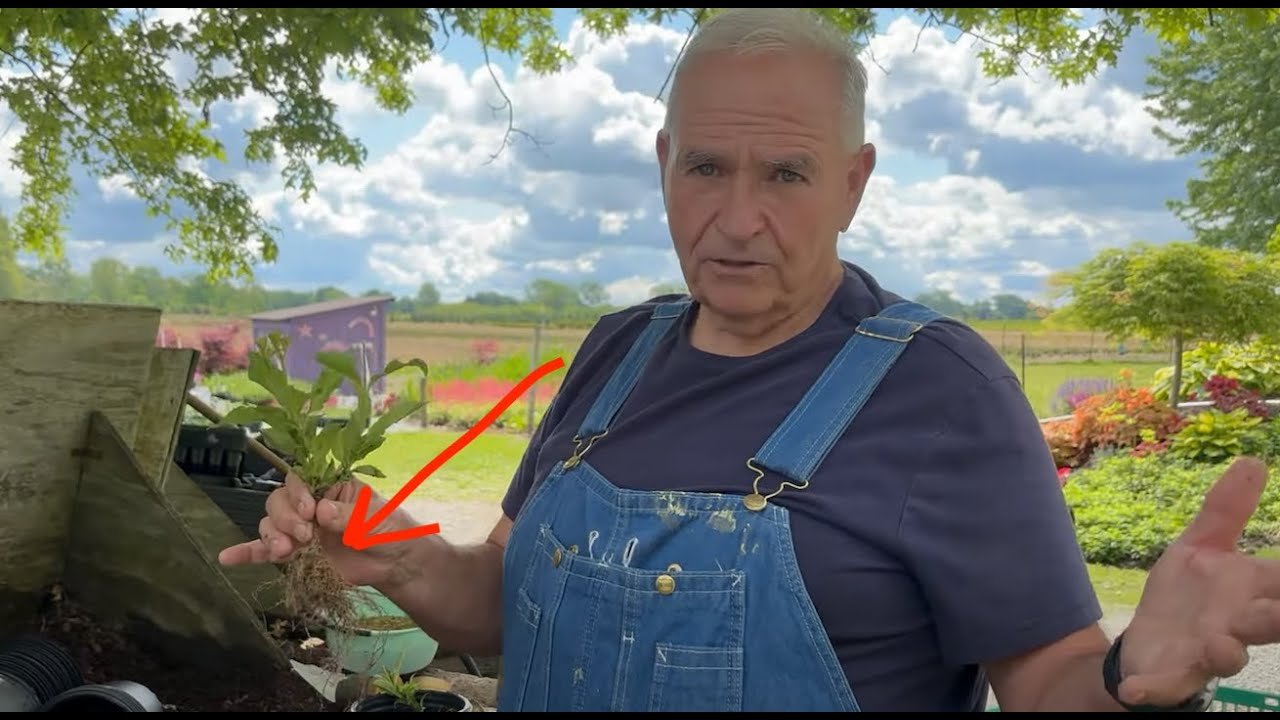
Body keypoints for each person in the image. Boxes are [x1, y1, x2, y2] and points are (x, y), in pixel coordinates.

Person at [219, 7, 1280, 712]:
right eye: (705, 167)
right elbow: (502, 601)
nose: (735, 219)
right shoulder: (615, 351)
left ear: (854, 182)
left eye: (784, 173)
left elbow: (1044, 676)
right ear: (661, 166)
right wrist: (388, 555)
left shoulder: (939, 391)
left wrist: (1142, 668)